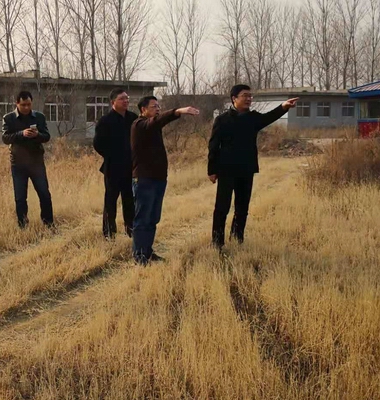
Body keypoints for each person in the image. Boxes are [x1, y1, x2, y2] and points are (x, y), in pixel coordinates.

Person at [208, 84, 298, 248]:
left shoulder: (253, 118)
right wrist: (212, 170)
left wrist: (284, 107)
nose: (249, 99)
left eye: (250, 96)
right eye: (245, 95)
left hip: (246, 169)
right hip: (227, 169)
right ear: (234, 98)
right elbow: (213, 146)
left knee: (242, 208)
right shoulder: (222, 120)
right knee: (222, 207)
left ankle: (237, 239)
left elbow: (269, 117)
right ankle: (217, 243)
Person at [131, 96, 199, 265]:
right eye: (154, 107)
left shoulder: (152, 127)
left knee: (153, 218)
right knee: (143, 218)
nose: (158, 109)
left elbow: (157, 122)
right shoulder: (139, 125)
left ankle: (147, 251)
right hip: (144, 180)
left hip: (158, 179)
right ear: (143, 110)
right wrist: (177, 111)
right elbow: (156, 121)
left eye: (158, 106)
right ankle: (139, 255)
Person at [1, 91, 53, 228]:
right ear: (17, 103)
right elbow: (5, 138)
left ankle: (48, 223)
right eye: (23, 105)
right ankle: (23, 226)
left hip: (36, 162)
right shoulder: (9, 118)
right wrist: (21, 134)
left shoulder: (39, 117)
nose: (26, 107)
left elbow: (47, 136)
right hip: (18, 163)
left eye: (29, 104)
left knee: (44, 194)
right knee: (20, 198)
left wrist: (37, 135)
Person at [93, 88, 138, 239]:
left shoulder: (133, 118)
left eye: (127, 98)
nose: (126, 101)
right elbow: (98, 144)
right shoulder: (105, 121)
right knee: (111, 201)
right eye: (122, 99)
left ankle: (131, 230)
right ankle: (109, 233)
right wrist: (112, 155)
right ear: (113, 102)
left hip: (131, 167)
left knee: (130, 200)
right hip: (113, 167)